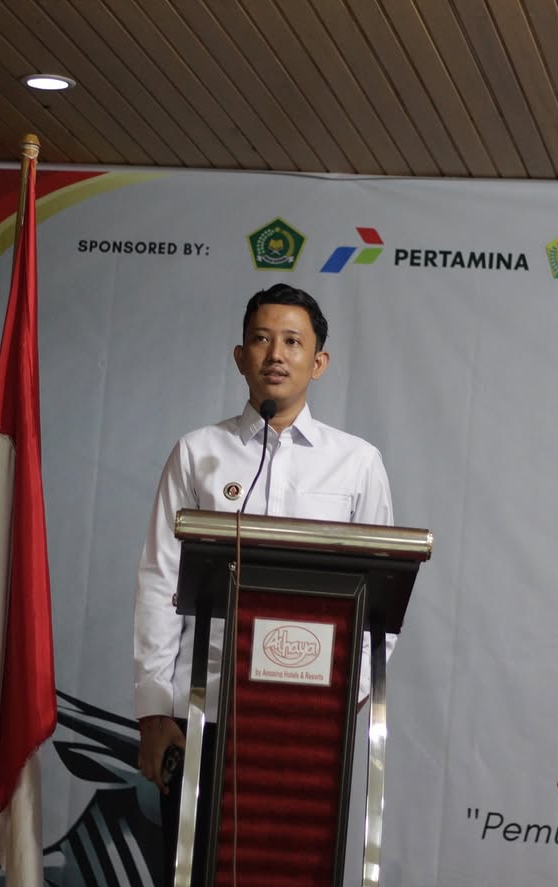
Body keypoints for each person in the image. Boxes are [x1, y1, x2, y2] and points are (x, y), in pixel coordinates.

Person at [133, 282, 395, 880]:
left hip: (310, 717)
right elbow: (159, 580)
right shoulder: (198, 453)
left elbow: (381, 600)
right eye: (261, 339)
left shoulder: (357, 464)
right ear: (240, 356)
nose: (276, 354)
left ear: (318, 362)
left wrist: (349, 692)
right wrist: (153, 708)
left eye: (293, 342)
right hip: (203, 707)